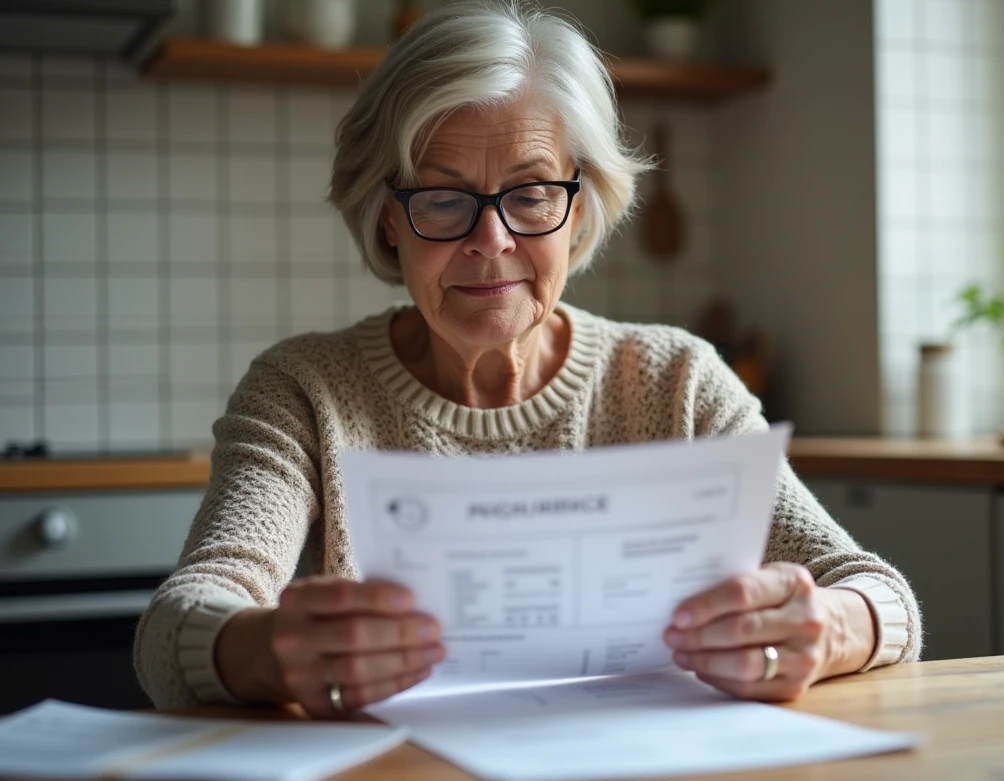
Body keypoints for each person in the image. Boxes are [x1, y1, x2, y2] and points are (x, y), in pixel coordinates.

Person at [135, 0, 921, 717]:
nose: (492, 241)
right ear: (386, 221)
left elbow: (878, 595)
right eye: (442, 198)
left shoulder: (676, 381)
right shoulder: (305, 392)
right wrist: (265, 651)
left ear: (578, 210)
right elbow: (176, 627)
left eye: (532, 193)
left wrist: (829, 627)